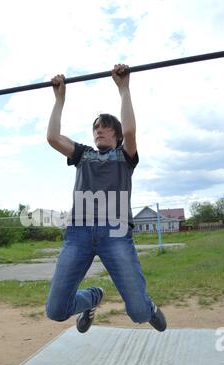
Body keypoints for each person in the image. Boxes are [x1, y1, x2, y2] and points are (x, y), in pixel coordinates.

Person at [45, 64, 166, 333]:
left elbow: (132, 132)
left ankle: (148, 308)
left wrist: (124, 89)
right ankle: (92, 298)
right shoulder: (82, 154)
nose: (99, 130)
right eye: (96, 127)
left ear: (117, 134)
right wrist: (59, 100)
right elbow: (52, 137)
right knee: (55, 310)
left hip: (116, 233)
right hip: (78, 233)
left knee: (137, 312)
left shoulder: (124, 156)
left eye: (106, 127)